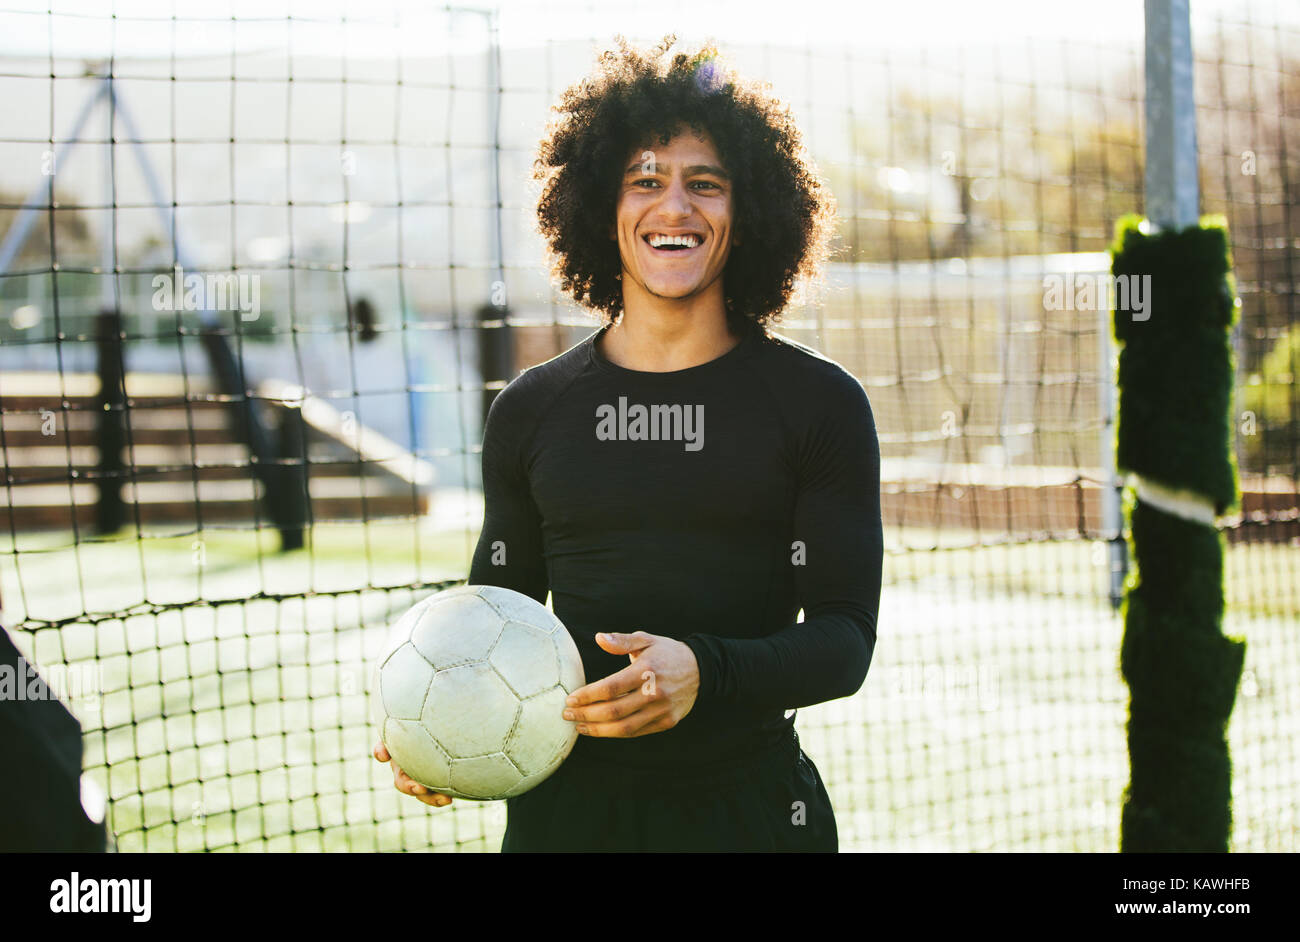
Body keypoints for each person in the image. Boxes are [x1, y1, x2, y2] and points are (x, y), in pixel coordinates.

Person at [374, 36, 882, 852]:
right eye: (645, 181)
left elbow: (845, 640)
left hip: (749, 815)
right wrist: (442, 732)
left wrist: (705, 671)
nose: (673, 208)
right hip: (567, 822)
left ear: (747, 213)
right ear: (598, 210)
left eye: (704, 185)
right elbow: (490, 622)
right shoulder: (531, 411)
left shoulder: (819, 405)